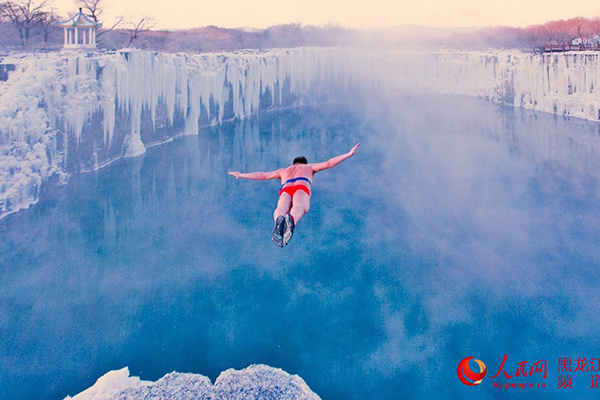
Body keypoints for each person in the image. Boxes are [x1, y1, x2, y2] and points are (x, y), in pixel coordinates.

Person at [228, 143, 360, 247]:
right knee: (300, 207)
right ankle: (292, 220)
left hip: (285, 188)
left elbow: (263, 175)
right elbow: (329, 163)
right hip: (301, 186)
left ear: (293, 164)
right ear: (304, 163)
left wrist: (242, 175)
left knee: (280, 208)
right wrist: (348, 154)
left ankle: (279, 219)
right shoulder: (309, 168)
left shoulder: (284, 170)